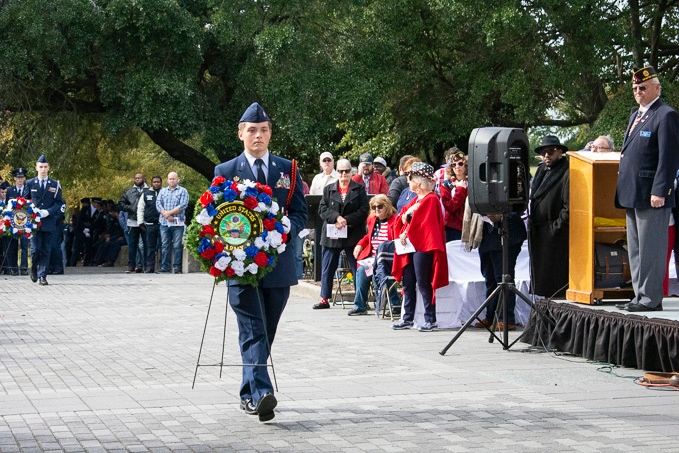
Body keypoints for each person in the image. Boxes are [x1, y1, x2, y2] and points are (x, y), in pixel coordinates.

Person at [213, 102, 307, 422]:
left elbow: (299, 211)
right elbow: (217, 217)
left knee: (264, 331)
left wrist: (286, 226)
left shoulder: (288, 170)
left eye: (264, 130)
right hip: (241, 267)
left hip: (278, 265)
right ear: (240, 134)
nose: (258, 135)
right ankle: (263, 392)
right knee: (254, 329)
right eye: (251, 130)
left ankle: (247, 393)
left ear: (270, 134)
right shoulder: (225, 171)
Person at [615, 66, 679, 312]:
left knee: (651, 248)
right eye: (635, 88)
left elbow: (669, 158)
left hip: (652, 192)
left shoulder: (665, 115)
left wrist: (660, 190)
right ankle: (639, 295)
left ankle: (651, 298)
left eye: (643, 87)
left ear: (656, 88)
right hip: (632, 192)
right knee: (636, 249)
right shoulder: (636, 115)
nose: (638, 92)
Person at [391, 162, 448, 332]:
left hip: (423, 246)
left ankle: (431, 319)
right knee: (408, 282)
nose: (408, 182)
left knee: (423, 282)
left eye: (410, 179)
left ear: (419, 181)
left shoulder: (431, 199)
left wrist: (406, 228)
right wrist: (405, 222)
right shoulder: (416, 199)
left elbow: (423, 223)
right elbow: (400, 218)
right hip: (411, 246)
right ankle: (408, 318)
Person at [315, 158, 370, 309]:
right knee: (328, 266)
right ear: (337, 172)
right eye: (340, 171)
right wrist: (336, 218)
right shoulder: (329, 189)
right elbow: (322, 209)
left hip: (352, 234)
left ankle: (361, 300)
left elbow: (364, 210)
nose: (343, 174)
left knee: (356, 267)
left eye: (346, 171)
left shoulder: (359, 189)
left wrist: (346, 220)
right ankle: (324, 299)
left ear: (351, 172)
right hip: (333, 234)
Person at [470, 210, 527, 331]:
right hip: (486, 234)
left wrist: (502, 215)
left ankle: (506, 319)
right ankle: (491, 316)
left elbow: (520, 205)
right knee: (489, 278)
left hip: (508, 232)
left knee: (504, 277)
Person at [528, 135, 569, 298]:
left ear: (560, 152)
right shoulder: (540, 170)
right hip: (539, 233)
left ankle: (555, 315)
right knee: (542, 283)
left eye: (551, 151)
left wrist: (555, 229)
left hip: (554, 235)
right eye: (543, 152)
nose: (546, 155)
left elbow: (569, 207)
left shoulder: (566, 172)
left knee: (555, 280)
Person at [349, 194, 398, 316]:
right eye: (373, 207)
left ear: (386, 206)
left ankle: (395, 304)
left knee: (382, 271)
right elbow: (368, 237)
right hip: (372, 259)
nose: (376, 209)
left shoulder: (395, 221)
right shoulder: (372, 220)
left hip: (388, 258)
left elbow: (396, 241)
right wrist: (360, 245)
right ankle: (360, 306)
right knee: (361, 271)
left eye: (380, 206)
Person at [26, 154, 66, 286]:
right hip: (34, 222)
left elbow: (59, 203)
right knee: (36, 249)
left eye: (45, 167)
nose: (43, 169)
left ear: (48, 168)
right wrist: (32, 211)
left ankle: (43, 275)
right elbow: (24, 202)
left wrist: (48, 211)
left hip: (48, 221)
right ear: (36, 168)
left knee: (46, 249)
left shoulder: (54, 184)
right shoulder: (30, 183)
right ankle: (34, 267)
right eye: (40, 167)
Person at [156, 171, 189, 274]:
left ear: (177, 179)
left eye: (173, 178)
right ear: (167, 180)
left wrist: (169, 213)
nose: (172, 180)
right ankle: (165, 267)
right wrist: (165, 214)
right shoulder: (162, 191)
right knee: (165, 245)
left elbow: (183, 205)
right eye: (170, 179)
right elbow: (158, 204)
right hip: (164, 223)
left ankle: (177, 267)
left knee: (177, 245)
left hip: (177, 224)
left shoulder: (183, 191)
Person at [119, 173, 147, 273]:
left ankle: (146, 265)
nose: (137, 179)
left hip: (145, 221)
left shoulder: (149, 191)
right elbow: (121, 203)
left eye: (139, 178)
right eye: (136, 178)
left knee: (145, 244)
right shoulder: (129, 191)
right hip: (132, 221)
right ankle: (131, 265)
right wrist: (130, 208)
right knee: (132, 245)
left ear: (144, 179)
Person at [439, 150, 468, 242]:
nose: (457, 167)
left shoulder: (473, 183)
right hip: (453, 227)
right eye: (453, 165)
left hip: (470, 224)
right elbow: (450, 207)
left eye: (460, 164)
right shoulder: (446, 185)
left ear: (466, 165)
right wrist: (461, 190)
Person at [6, 167, 30, 275]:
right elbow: (7, 207)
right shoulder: (10, 191)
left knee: (25, 245)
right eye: (18, 178)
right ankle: (13, 268)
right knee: (13, 246)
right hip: (14, 222)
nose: (20, 180)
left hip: (26, 222)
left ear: (24, 179)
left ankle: (24, 267)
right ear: (14, 179)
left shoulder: (28, 190)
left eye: (22, 178)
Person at [137, 175, 163, 273]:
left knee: (162, 246)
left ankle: (162, 266)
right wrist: (140, 223)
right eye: (154, 182)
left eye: (158, 182)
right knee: (149, 246)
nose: (156, 183)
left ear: (161, 183)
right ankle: (149, 267)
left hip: (162, 224)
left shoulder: (164, 192)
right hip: (149, 224)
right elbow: (140, 209)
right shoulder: (146, 193)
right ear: (151, 183)